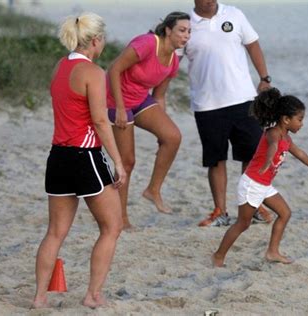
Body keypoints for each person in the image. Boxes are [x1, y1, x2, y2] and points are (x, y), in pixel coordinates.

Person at [32, 13, 126, 309]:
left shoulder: (60, 66)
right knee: (112, 227)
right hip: (85, 156)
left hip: (57, 156)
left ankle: (39, 298)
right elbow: (100, 121)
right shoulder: (93, 73)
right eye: (103, 39)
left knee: (55, 232)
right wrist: (118, 163)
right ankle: (93, 295)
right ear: (96, 40)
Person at [183, 0, 274, 226]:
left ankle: (251, 207)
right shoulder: (185, 24)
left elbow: (253, 44)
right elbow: (169, 59)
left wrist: (264, 78)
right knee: (216, 159)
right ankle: (220, 212)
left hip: (243, 99)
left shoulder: (234, 14)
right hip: (207, 105)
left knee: (252, 155)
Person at [212, 88, 308, 267]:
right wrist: (267, 162)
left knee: (285, 213)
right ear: (286, 119)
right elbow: (272, 146)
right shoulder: (273, 132)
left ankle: (272, 252)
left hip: (264, 185)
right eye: (300, 119)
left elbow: (299, 153)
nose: (301, 124)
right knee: (243, 224)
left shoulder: (287, 138)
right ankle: (218, 256)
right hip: (252, 183)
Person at [107, 12, 191, 229]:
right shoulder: (146, 44)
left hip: (140, 99)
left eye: (189, 31)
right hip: (114, 100)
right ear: (168, 30)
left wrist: (161, 126)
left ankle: (153, 190)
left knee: (172, 136)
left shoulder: (173, 60)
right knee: (127, 162)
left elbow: (159, 96)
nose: (186, 35)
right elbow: (114, 69)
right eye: (182, 30)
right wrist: (120, 108)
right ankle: (121, 218)